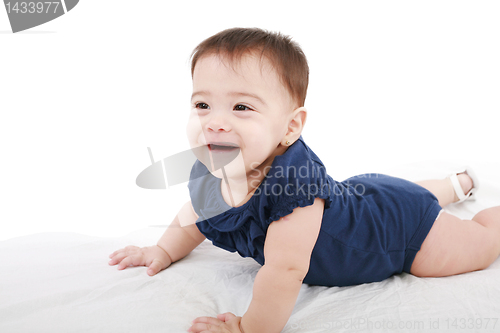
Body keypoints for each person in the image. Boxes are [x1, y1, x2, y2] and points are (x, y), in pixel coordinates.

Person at [108, 27, 500, 333]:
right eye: (202, 104)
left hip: (395, 234)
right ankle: (454, 184)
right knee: (404, 193)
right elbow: (190, 217)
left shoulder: (295, 190)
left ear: (290, 126)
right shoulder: (216, 164)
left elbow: (284, 271)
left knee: (474, 246)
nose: (214, 121)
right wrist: (162, 251)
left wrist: (250, 326)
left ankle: (478, 208)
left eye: (241, 106)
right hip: (367, 193)